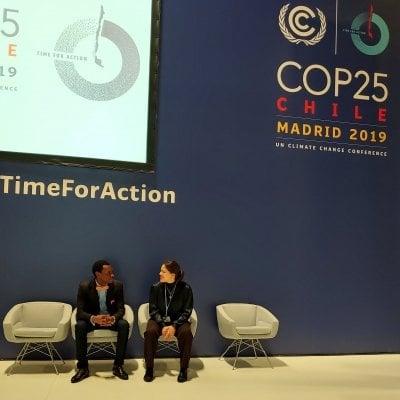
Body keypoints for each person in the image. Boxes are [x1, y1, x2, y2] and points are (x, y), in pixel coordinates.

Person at [71, 259, 130, 383]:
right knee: (80, 325)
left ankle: (118, 366)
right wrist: (93, 318)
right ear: (98, 274)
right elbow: (80, 312)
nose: (112, 275)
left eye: (112, 272)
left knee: (124, 325)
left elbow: (121, 309)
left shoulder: (117, 285)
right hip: (93, 320)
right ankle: (83, 368)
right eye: (109, 273)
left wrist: (113, 318)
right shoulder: (84, 286)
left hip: (110, 319)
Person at [143, 260, 194, 383]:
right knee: (150, 332)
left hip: (179, 321)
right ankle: (149, 368)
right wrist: (162, 325)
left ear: (173, 274)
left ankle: (183, 369)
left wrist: (174, 326)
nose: (159, 273)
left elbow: (187, 311)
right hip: (158, 319)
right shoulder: (155, 288)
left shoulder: (186, 288)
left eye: (163, 271)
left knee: (187, 333)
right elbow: (153, 310)